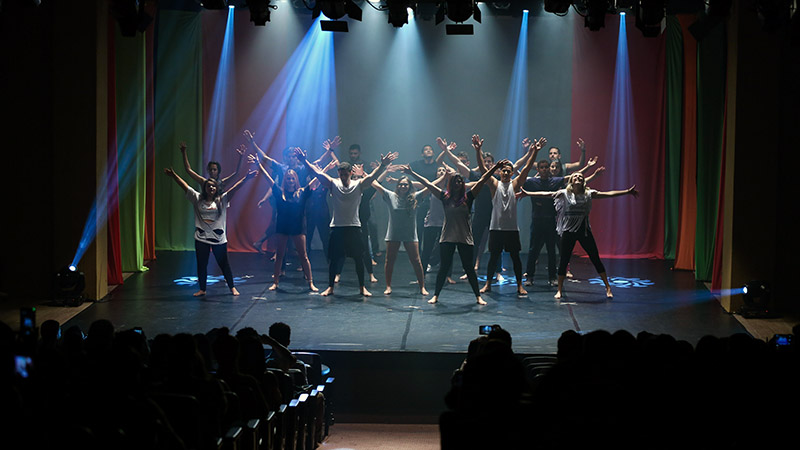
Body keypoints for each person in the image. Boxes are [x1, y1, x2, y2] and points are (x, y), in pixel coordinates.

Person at [518, 172, 638, 299]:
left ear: (583, 181)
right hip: (568, 231)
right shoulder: (565, 193)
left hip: (583, 230)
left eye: (580, 177)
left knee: (595, 258)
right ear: (571, 180)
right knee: (564, 260)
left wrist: (627, 192)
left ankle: (607, 286)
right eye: (575, 176)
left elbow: (608, 194)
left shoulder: (588, 193)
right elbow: (546, 194)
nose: (578, 177)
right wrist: (527, 194)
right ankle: (559, 290)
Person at [403, 160, 504, 305]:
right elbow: (427, 184)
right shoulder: (445, 197)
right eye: (455, 181)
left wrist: (494, 168)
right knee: (443, 268)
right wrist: (412, 173)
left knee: (469, 268)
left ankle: (478, 297)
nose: (457, 183)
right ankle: (436, 295)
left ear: (462, 184)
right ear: (451, 184)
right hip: (448, 237)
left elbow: (482, 180)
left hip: (464, 237)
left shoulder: (468, 197)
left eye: (460, 181)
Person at [302, 149, 398, 297]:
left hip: (354, 227)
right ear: (338, 174)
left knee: (358, 259)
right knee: (334, 259)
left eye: (346, 174)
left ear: (350, 173)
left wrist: (383, 165)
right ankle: (330, 287)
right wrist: (304, 161)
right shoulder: (333, 183)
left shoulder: (358, 184)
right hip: (337, 227)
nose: (343, 177)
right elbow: (317, 174)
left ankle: (362, 288)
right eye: (341, 174)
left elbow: (372, 177)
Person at [163, 167, 257, 296]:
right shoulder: (197, 198)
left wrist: (246, 179)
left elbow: (235, 188)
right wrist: (174, 176)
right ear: (205, 188)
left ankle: (232, 287)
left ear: (216, 188)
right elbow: (185, 186)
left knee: (224, 264)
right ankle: (202, 289)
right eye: (208, 186)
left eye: (213, 186)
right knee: (202, 264)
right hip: (201, 238)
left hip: (218, 239)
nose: (211, 188)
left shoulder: (222, 200)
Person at [472, 134, 541, 295]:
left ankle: (519, 285)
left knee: (516, 257)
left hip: (511, 229)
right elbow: (483, 170)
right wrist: (478, 151)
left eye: (509, 171)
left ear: (511, 173)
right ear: (499, 171)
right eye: (503, 171)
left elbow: (524, 170)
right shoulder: (494, 184)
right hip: (495, 228)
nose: (506, 173)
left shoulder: (515, 184)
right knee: (493, 256)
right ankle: (488, 283)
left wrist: (534, 153)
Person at [523, 157, 605, 286]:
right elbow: (521, 176)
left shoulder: (555, 181)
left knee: (551, 250)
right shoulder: (532, 182)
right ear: (538, 169)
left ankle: (552, 277)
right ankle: (529, 276)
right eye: (542, 167)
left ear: (549, 170)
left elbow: (574, 179)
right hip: (537, 221)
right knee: (533, 250)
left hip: (551, 222)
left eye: (546, 167)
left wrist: (589, 168)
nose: (544, 170)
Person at [372, 171, 442, 295]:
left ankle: (422, 287)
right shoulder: (390, 196)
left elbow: (430, 186)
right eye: (401, 184)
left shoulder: (415, 197)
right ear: (397, 186)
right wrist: (363, 175)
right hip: (394, 233)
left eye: (406, 185)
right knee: (390, 260)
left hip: (410, 234)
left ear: (409, 186)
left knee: (416, 261)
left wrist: (444, 177)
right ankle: (388, 286)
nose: (403, 187)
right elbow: (376, 184)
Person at [255, 157, 319, 292]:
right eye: (288, 179)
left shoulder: (301, 192)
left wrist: (325, 169)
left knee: (303, 255)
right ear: (285, 180)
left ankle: (311, 283)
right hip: (282, 227)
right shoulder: (279, 192)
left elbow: (317, 179)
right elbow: (267, 178)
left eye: (292, 179)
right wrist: (259, 165)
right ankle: (276, 282)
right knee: (279, 255)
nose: (290, 181)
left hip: (298, 227)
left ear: (296, 180)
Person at [179, 141, 251, 190]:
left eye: (214, 170)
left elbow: (237, 174)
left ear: (218, 171)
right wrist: (184, 153)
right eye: (210, 170)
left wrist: (241, 157)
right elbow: (188, 170)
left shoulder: (222, 183)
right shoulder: (204, 182)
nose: (212, 171)